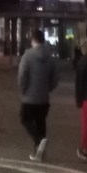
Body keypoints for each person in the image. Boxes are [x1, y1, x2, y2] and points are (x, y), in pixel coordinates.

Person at [18, 28, 58, 161]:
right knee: (41, 122)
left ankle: (39, 141)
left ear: (33, 40)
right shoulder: (50, 57)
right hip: (44, 97)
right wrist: (48, 88)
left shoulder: (27, 56)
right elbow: (55, 78)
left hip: (29, 97)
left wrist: (23, 89)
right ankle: (39, 153)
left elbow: (22, 75)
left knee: (25, 119)